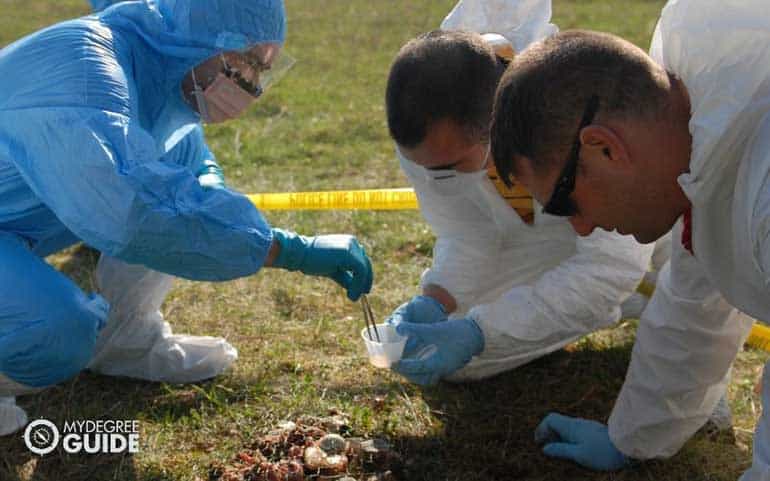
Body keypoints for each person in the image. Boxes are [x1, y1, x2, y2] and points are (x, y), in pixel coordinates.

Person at [0, 0, 373, 436]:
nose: (251, 84)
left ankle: (125, 340)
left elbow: (183, 158)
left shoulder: (150, 68)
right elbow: (138, 210)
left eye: (262, 70)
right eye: (244, 62)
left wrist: (207, 182)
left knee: (176, 173)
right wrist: (285, 249)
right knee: (56, 329)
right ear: (195, 41)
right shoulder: (84, 67)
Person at [490, 0, 766, 477]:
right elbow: (696, 298)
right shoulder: (700, 124)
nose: (579, 227)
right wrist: (634, 437)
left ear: (604, 147)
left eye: (563, 202)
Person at [383, 26, 659, 386]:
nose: (434, 177)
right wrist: (438, 298)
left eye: (449, 167)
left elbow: (610, 263)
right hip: (553, 243)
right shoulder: (431, 139)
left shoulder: (567, 113)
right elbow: (468, 233)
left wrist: (482, 332)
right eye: (422, 166)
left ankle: (653, 305)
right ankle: (610, 304)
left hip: (645, 239)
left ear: (494, 125)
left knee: (664, 288)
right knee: (461, 360)